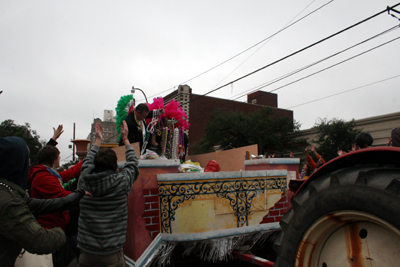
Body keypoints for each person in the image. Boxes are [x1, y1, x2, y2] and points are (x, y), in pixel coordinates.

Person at [0, 137, 71, 267]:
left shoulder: (9, 191)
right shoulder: (9, 201)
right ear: (16, 163)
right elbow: (38, 240)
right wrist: (61, 233)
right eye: (26, 158)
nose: (29, 162)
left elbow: (35, 203)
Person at [77, 121, 139, 267]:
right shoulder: (121, 183)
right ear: (115, 165)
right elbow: (133, 163)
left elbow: (86, 163)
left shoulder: (83, 181)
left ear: (95, 165)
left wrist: (98, 140)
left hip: (86, 254)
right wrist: (125, 139)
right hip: (112, 255)